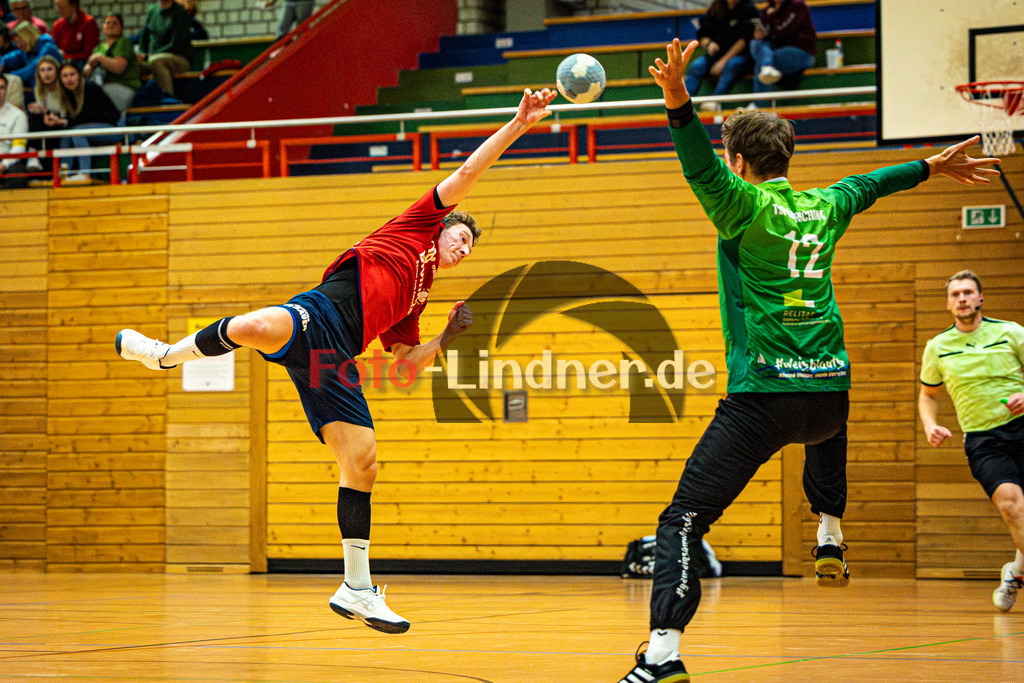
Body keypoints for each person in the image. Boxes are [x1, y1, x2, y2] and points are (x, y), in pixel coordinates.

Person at [616, 38, 1001, 683]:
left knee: (683, 519)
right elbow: (875, 182)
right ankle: (829, 530)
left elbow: (694, 163)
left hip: (761, 401)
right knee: (827, 403)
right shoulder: (826, 204)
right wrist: (934, 165)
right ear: (787, 157)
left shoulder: (739, 204)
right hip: (829, 399)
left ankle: (662, 654)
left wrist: (676, 94)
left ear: (739, 161)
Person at [114, 87, 558, 634]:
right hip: (317, 313)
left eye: (470, 248)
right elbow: (468, 170)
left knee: (364, 462)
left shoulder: (418, 297)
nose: (464, 249)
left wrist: (445, 335)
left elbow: (405, 362)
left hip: (337, 358)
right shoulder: (416, 224)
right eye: (461, 237)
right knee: (254, 326)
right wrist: (518, 126)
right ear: (442, 227)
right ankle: (165, 357)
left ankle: (356, 587)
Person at [918, 270, 1024, 613]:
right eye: (955, 294)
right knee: (1012, 507)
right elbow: (928, 396)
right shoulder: (938, 347)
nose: (962, 298)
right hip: (984, 440)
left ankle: (1015, 572)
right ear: (948, 303)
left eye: (967, 292)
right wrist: (930, 424)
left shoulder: (1010, 333)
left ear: (980, 298)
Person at [45, 60, 120, 181]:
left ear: (79, 75)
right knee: (66, 134)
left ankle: (85, 173)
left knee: (77, 132)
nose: (69, 79)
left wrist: (65, 121)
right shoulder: (67, 95)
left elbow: (89, 116)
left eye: (72, 74)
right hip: (90, 129)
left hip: (113, 128)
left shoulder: (90, 88)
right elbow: (75, 120)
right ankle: (64, 173)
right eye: (65, 76)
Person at [684, 0, 759, 112]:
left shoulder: (749, 8)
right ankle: (684, 104)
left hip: (741, 56)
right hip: (715, 56)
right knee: (696, 66)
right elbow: (702, 33)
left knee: (732, 65)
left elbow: (744, 40)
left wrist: (723, 62)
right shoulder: (716, 7)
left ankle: (714, 100)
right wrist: (709, 44)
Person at [749, 0, 816, 107]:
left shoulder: (798, 6)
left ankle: (758, 106)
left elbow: (784, 29)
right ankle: (767, 67)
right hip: (774, 50)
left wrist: (772, 16)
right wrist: (759, 34)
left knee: (762, 63)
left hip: (801, 52)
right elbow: (765, 33)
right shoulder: (767, 9)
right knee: (755, 43)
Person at [83, 13, 140, 113]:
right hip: (103, 87)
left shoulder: (123, 42)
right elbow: (87, 70)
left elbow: (119, 68)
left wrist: (100, 58)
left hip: (124, 86)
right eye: (107, 23)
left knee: (97, 96)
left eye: (115, 23)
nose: (110, 25)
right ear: (103, 27)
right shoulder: (99, 48)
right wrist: (89, 67)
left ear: (121, 28)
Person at [138, 0, 193, 96]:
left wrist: (150, 56)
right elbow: (144, 37)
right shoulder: (152, 11)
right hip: (152, 57)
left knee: (157, 62)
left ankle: (168, 100)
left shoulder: (180, 13)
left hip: (178, 58)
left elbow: (176, 45)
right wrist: (143, 54)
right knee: (133, 67)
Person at [1, 20, 62, 88]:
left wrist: (7, 77)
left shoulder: (48, 48)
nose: (18, 46)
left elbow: (33, 69)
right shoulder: (28, 50)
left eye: (21, 41)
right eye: (17, 43)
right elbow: (11, 57)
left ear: (29, 37)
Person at [0, 73, 29, 189]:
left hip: (7, 160)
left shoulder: (18, 115)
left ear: (6, 90)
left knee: (18, 174)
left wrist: (4, 164)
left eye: (1, 87)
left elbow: (19, 147)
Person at [51, 0, 99, 67]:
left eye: (62, 7)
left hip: (81, 63)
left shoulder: (88, 22)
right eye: (57, 7)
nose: (58, 11)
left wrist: (66, 56)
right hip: (62, 61)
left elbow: (88, 53)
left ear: (73, 6)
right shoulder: (58, 25)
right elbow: (53, 47)